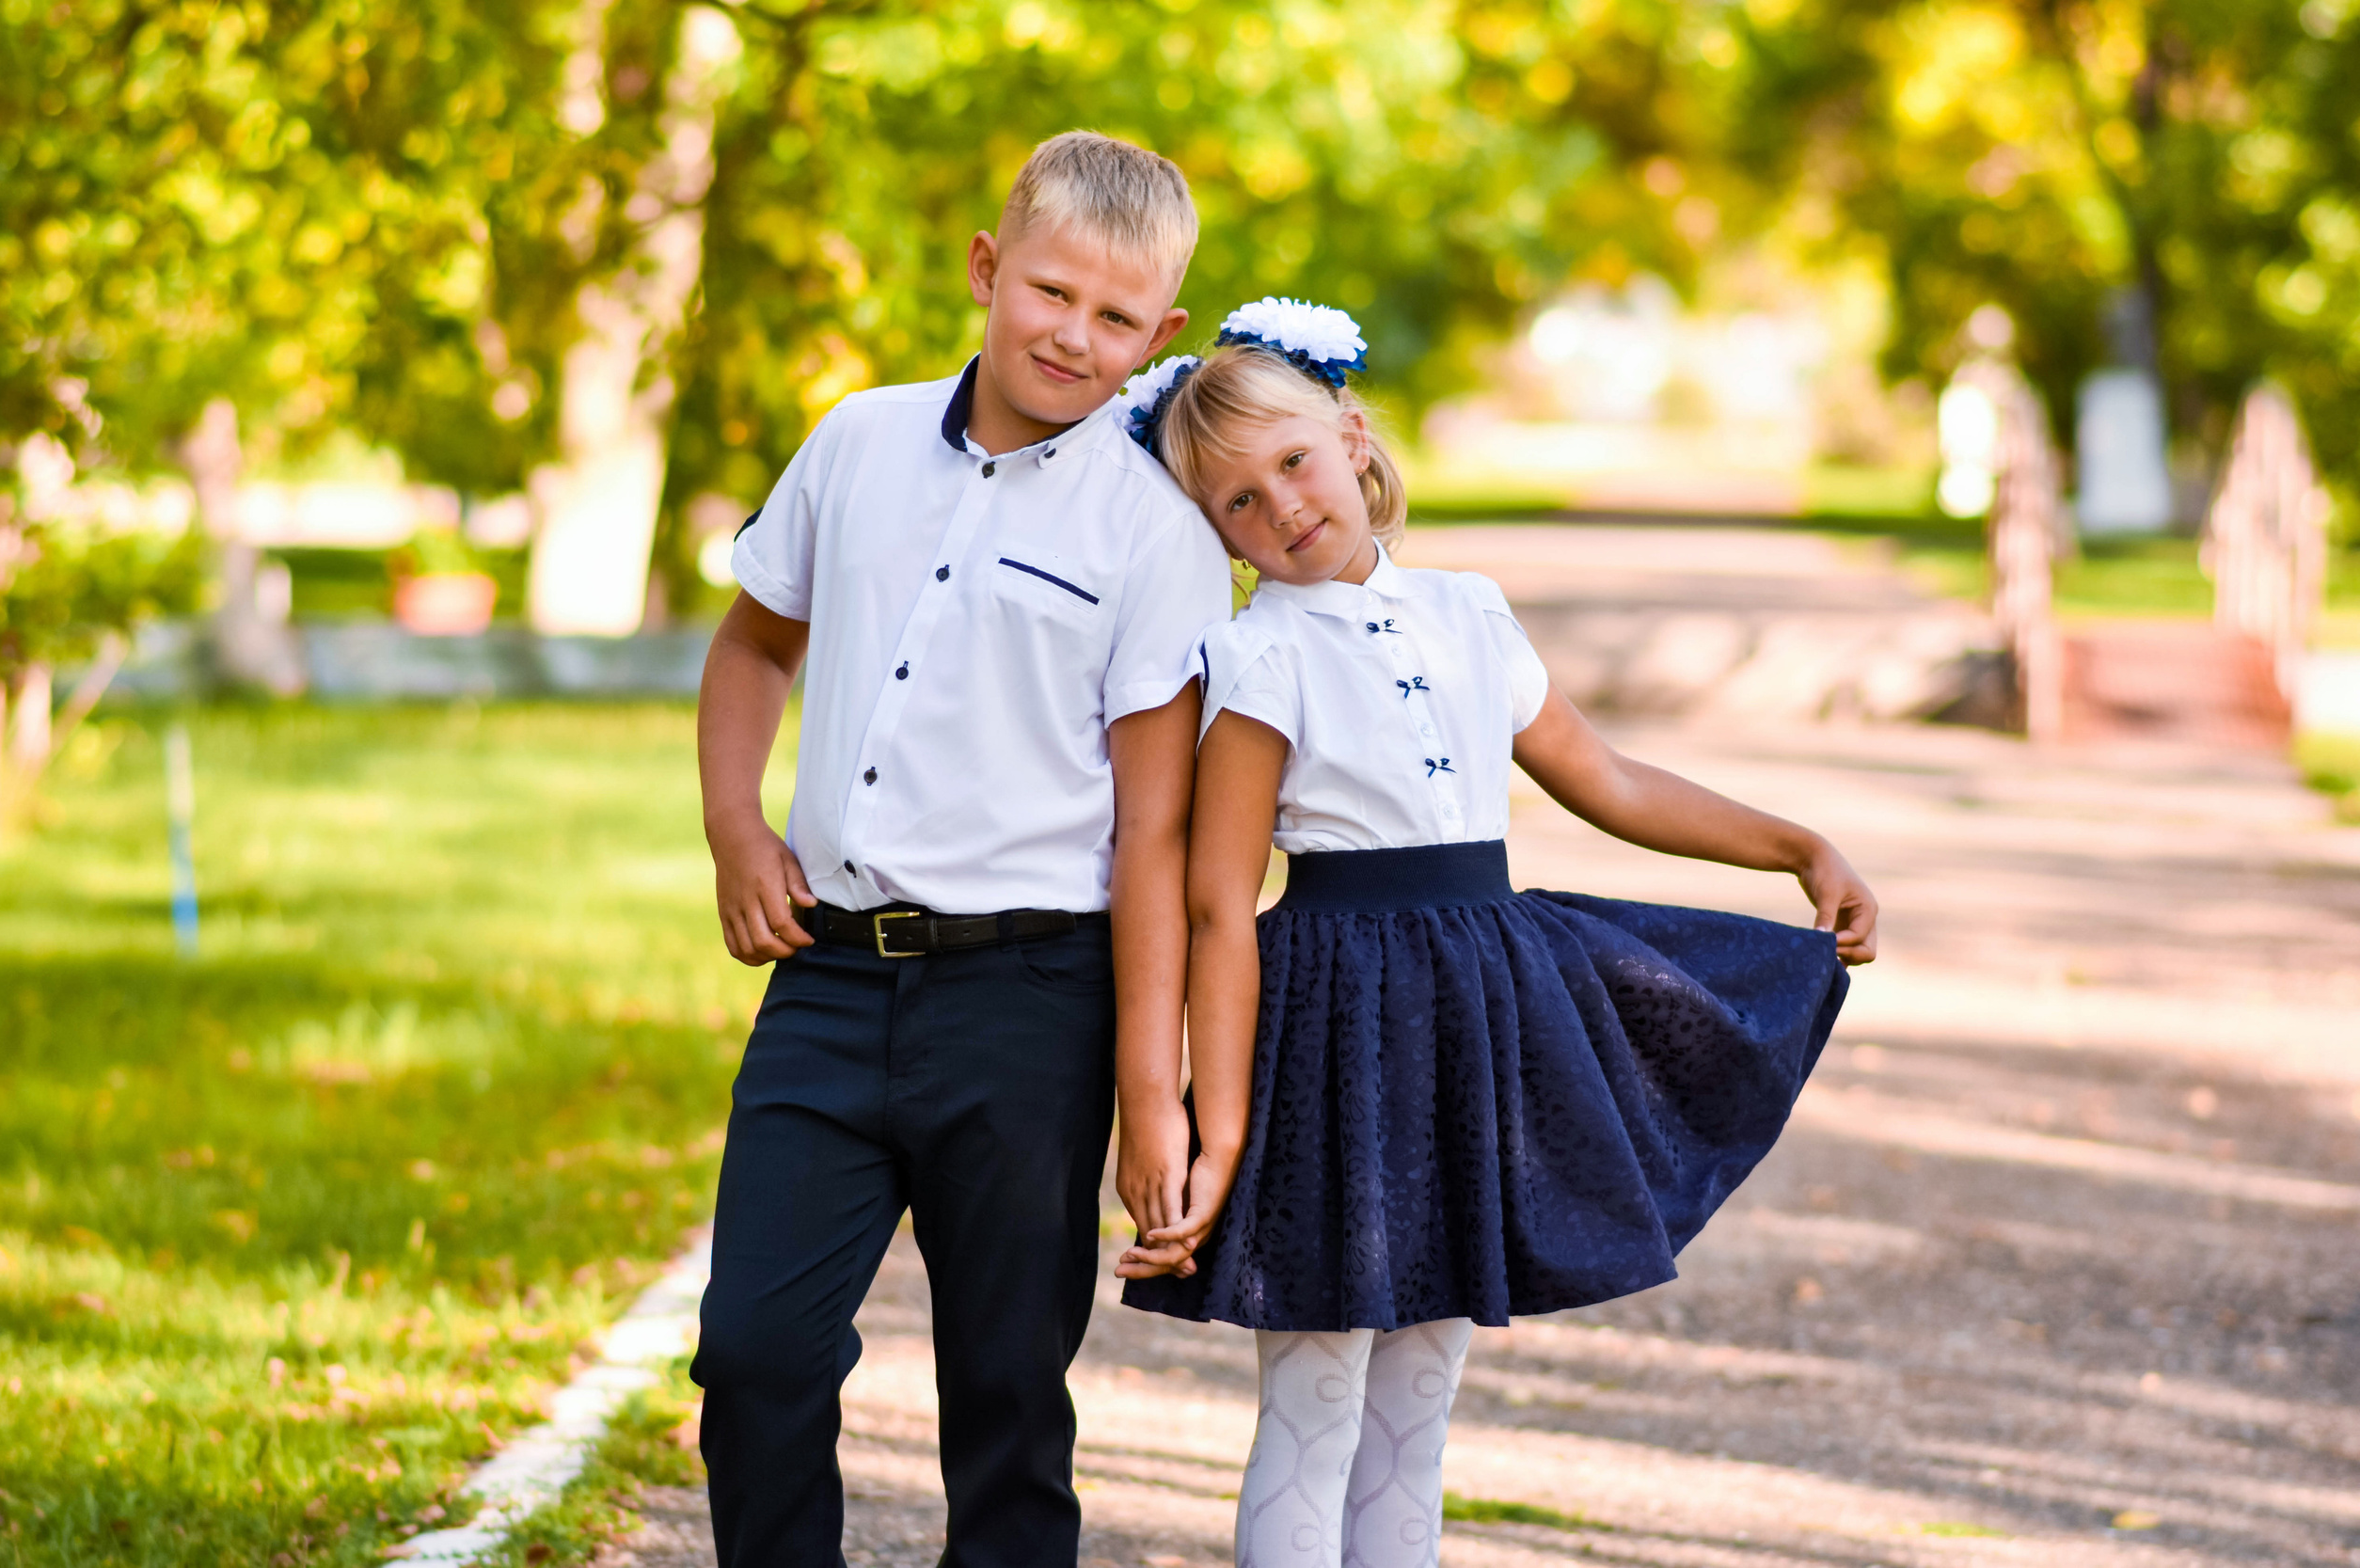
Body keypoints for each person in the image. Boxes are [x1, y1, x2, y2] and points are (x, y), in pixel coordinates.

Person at [1112, 300, 1877, 1567]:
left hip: (1474, 1020)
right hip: (1334, 1037)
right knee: (1313, 1402)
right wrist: (1219, 1119)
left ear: (1352, 439)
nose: (1282, 508)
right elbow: (1215, 903)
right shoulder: (1256, 659)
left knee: (1419, 1407)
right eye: (1238, 503)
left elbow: (1612, 781)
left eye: (1293, 463)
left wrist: (1797, 844)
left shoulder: (1470, 612)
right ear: (1214, 535)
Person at [689, 132, 1229, 1568]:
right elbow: (755, 642)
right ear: (990, 270)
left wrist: (1147, 1088)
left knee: (1002, 1394)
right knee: (754, 1357)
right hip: (830, 979)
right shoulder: (856, 440)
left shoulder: (1155, 533)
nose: (1075, 334)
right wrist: (738, 824)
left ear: (1160, 335)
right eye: (1052, 292)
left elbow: (1156, 832)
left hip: (1031, 1004)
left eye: (1118, 319)